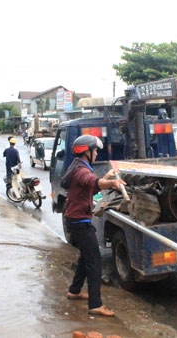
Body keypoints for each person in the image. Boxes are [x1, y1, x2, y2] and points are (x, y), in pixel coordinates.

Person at [62, 135, 125, 317]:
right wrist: (113, 182)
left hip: (76, 220)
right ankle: (95, 305)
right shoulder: (81, 171)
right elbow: (93, 182)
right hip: (79, 222)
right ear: (87, 151)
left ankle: (74, 290)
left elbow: (92, 187)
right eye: (95, 150)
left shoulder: (79, 167)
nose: (97, 153)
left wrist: (106, 177)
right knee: (94, 261)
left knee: (85, 257)